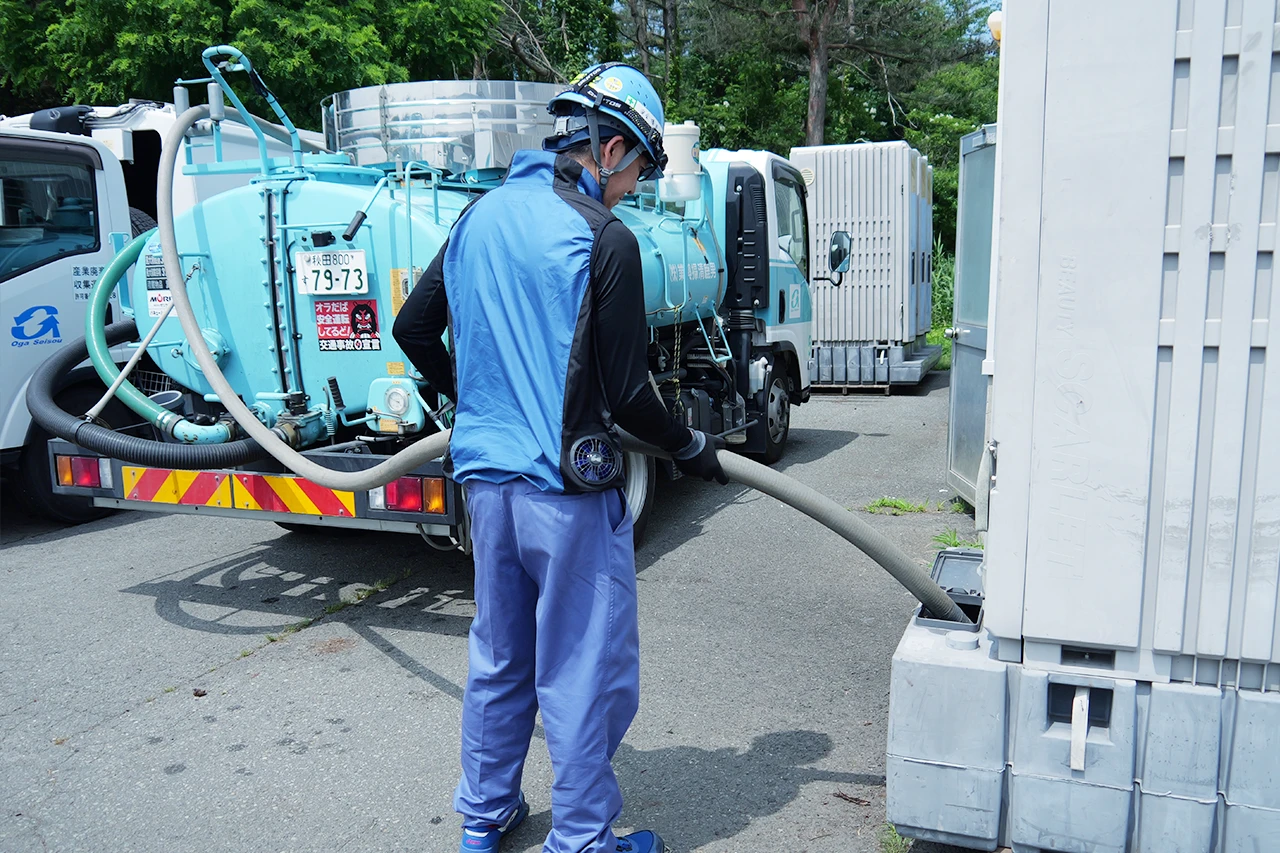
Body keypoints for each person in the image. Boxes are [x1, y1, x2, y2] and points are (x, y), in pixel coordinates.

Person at [392, 63, 728, 853]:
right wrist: (691, 446)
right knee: (580, 669)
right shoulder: (604, 239)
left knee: (500, 651)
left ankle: (484, 816)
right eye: (639, 168)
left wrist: (470, 399)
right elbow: (629, 394)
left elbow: (413, 328)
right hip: (566, 493)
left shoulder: (478, 217)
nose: (635, 188)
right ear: (609, 149)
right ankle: (581, 839)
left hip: (486, 487)